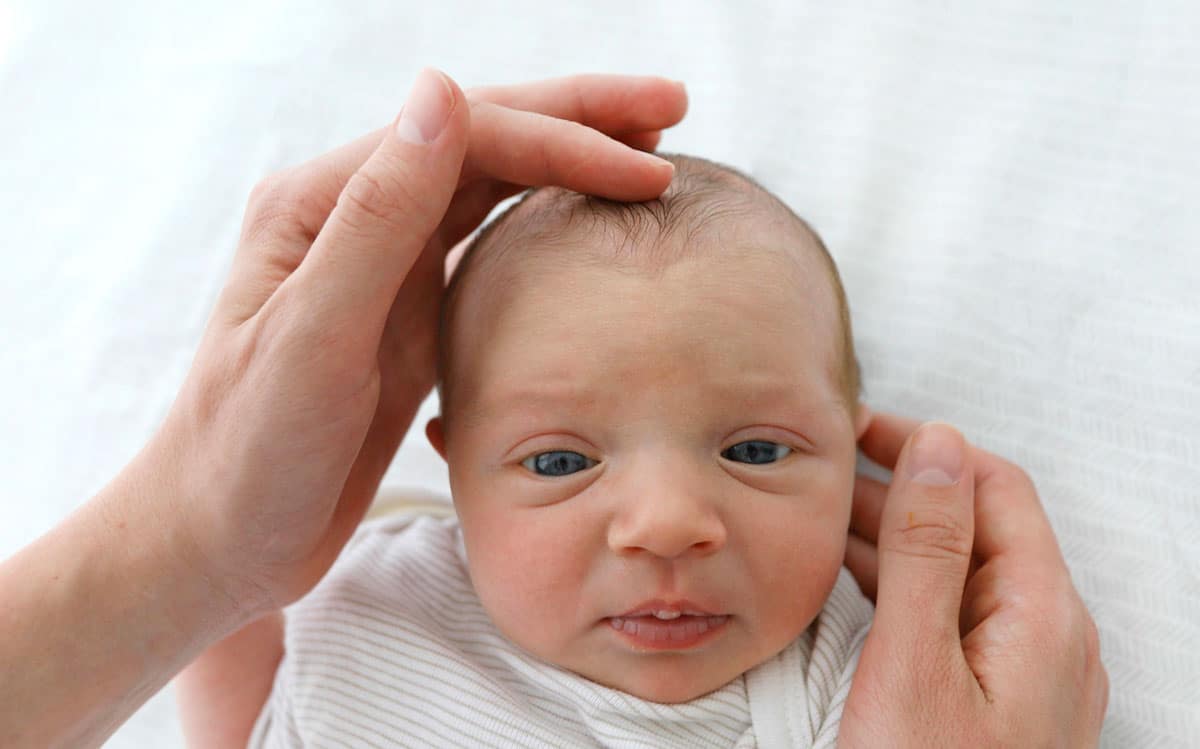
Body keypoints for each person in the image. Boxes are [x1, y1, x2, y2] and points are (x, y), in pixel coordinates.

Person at [0, 69, 1107, 748]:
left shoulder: (856, 682)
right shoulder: (370, 597)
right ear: (451, 466)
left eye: (759, 447)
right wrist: (209, 568)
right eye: (556, 462)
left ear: (854, 443)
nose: (668, 522)